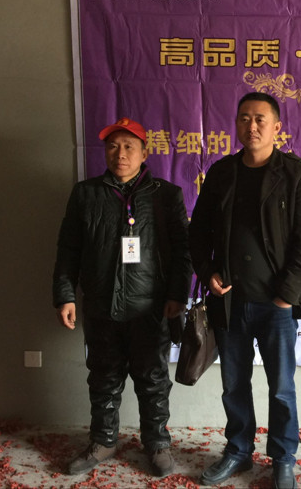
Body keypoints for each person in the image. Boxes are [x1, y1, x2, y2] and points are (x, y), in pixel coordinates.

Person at [189, 92, 301, 489]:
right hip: (230, 300)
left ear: (276, 127)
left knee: (281, 388)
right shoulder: (222, 173)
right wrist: (208, 272)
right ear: (236, 124)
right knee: (233, 384)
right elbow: (198, 231)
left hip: (276, 304)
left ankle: (283, 458)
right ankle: (238, 451)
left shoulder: (296, 174)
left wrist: (286, 296)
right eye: (244, 118)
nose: (252, 126)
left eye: (260, 119)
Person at [52, 117, 192, 477]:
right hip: (101, 305)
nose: (120, 153)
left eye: (129, 146)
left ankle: (157, 443)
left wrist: (178, 295)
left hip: (151, 307)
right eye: (113, 146)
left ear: (144, 153)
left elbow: (183, 252)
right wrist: (65, 295)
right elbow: (68, 248)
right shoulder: (85, 194)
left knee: (153, 380)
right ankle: (103, 441)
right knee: (103, 378)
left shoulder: (166, 195)